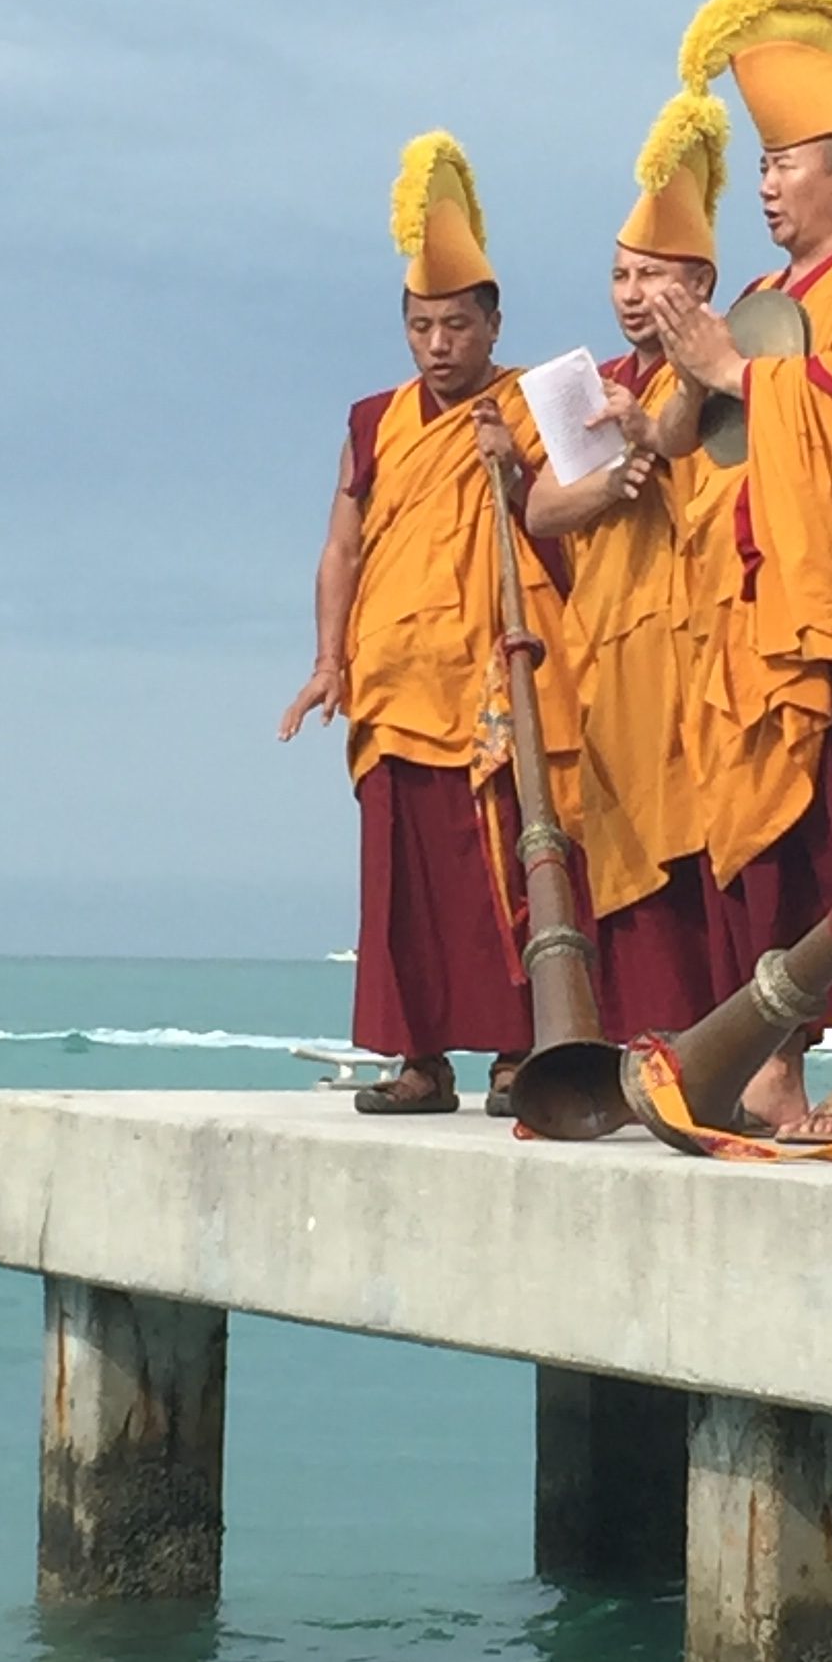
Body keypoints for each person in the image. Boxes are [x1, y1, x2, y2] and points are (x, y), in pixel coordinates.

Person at [640, 0, 832, 1138]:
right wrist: (685, 367)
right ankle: (770, 1067)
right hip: (742, 611)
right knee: (759, 847)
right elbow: (688, 438)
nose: (766, 186)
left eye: (787, 163)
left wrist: (735, 373)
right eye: (763, 166)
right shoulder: (766, 291)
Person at [277, 131, 580, 1115]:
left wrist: (518, 467)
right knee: (403, 882)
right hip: (395, 677)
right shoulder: (374, 420)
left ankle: (516, 1052)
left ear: (493, 321)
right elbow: (344, 546)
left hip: (498, 676)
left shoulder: (539, 399)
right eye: (421, 327)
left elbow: (597, 528)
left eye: (456, 325)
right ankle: (416, 1060)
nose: (439, 346)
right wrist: (328, 659)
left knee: (508, 866)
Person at [525, 92, 728, 1039]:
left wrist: (655, 438)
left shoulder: (715, 370)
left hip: (691, 634)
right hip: (608, 640)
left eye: (652, 274)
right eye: (619, 273)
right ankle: (640, 1043)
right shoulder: (588, 386)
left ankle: (704, 1043)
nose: (631, 291)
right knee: (623, 837)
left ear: (700, 283)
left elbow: (692, 441)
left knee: (692, 841)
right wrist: (618, 482)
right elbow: (541, 507)